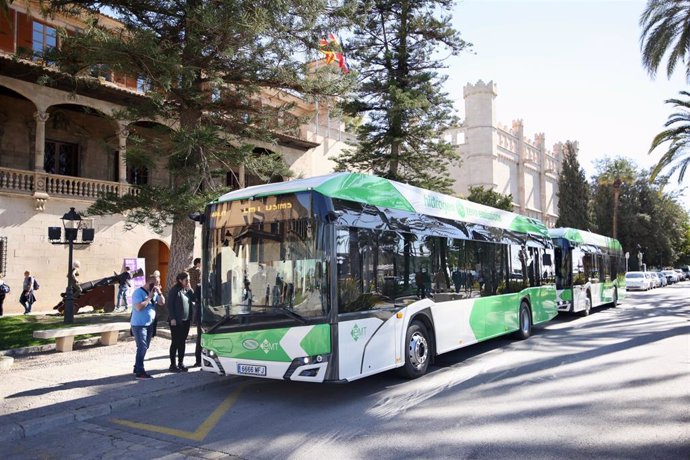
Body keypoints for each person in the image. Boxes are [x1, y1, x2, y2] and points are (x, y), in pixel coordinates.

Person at [131, 274, 165, 379]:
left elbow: (162, 303)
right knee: (142, 347)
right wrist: (149, 298)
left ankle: (137, 366)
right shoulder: (138, 292)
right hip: (139, 325)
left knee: (145, 347)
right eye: (157, 284)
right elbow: (138, 307)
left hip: (150, 324)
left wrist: (159, 293)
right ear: (150, 283)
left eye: (159, 284)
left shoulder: (155, 292)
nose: (158, 286)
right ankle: (140, 372)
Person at [166, 272, 195, 372]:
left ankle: (181, 363)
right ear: (180, 280)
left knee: (182, 342)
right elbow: (170, 305)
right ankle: (172, 364)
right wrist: (172, 318)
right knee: (175, 342)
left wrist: (190, 289)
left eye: (189, 280)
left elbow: (194, 298)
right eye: (186, 280)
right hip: (176, 321)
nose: (188, 282)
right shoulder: (174, 290)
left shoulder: (186, 290)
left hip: (185, 320)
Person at [187, 258, 202, 367]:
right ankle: (199, 360)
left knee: (200, 338)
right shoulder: (198, 273)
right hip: (204, 316)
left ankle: (199, 360)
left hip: (202, 316)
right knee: (201, 338)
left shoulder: (190, 270)